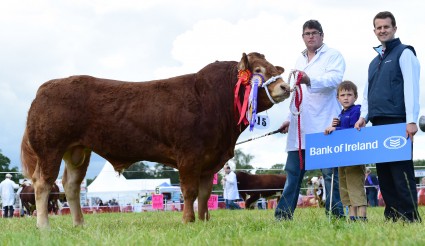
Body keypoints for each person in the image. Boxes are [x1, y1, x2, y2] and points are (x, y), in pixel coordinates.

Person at [275, 19, 345, 220]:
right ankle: (283, 215)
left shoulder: (333, 56)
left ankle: (336, 214)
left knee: (330, 175)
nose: (311, 36)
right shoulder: (299, 60)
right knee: (293, 174)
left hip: (324, 125)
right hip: (300, 126)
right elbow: (297, 92)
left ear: (322, 35)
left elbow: (335, 80)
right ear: (303, 37)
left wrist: (309, 80)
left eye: (315, 33)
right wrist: (289, 118)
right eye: (307, 33)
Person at [354, 11, 421, 223]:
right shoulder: (374, 62)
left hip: (399, 122)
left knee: (401, 173)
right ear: (374, 31)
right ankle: (392, 215)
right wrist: (364, 116)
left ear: (394, 28)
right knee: (384, 174)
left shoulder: (405, 53)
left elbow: (411, 87)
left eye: (386, 26)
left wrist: (411, 119)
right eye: (379, 27)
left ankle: (410, 217)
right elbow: (367, 93)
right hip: (378, 123)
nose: (382, 30)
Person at [325, 81, 367, 221]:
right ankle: (352, 217)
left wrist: (336, 130)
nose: (346, 97)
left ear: (355, 96)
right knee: (345, 187)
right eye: (342, 95)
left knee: (355, 186)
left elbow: (353, 132)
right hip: (343, 157)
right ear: (338, 98)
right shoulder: (341, 114)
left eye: (349, 94)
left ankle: (362, 217)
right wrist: (334, 127)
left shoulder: (357, 111)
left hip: (355, 156)